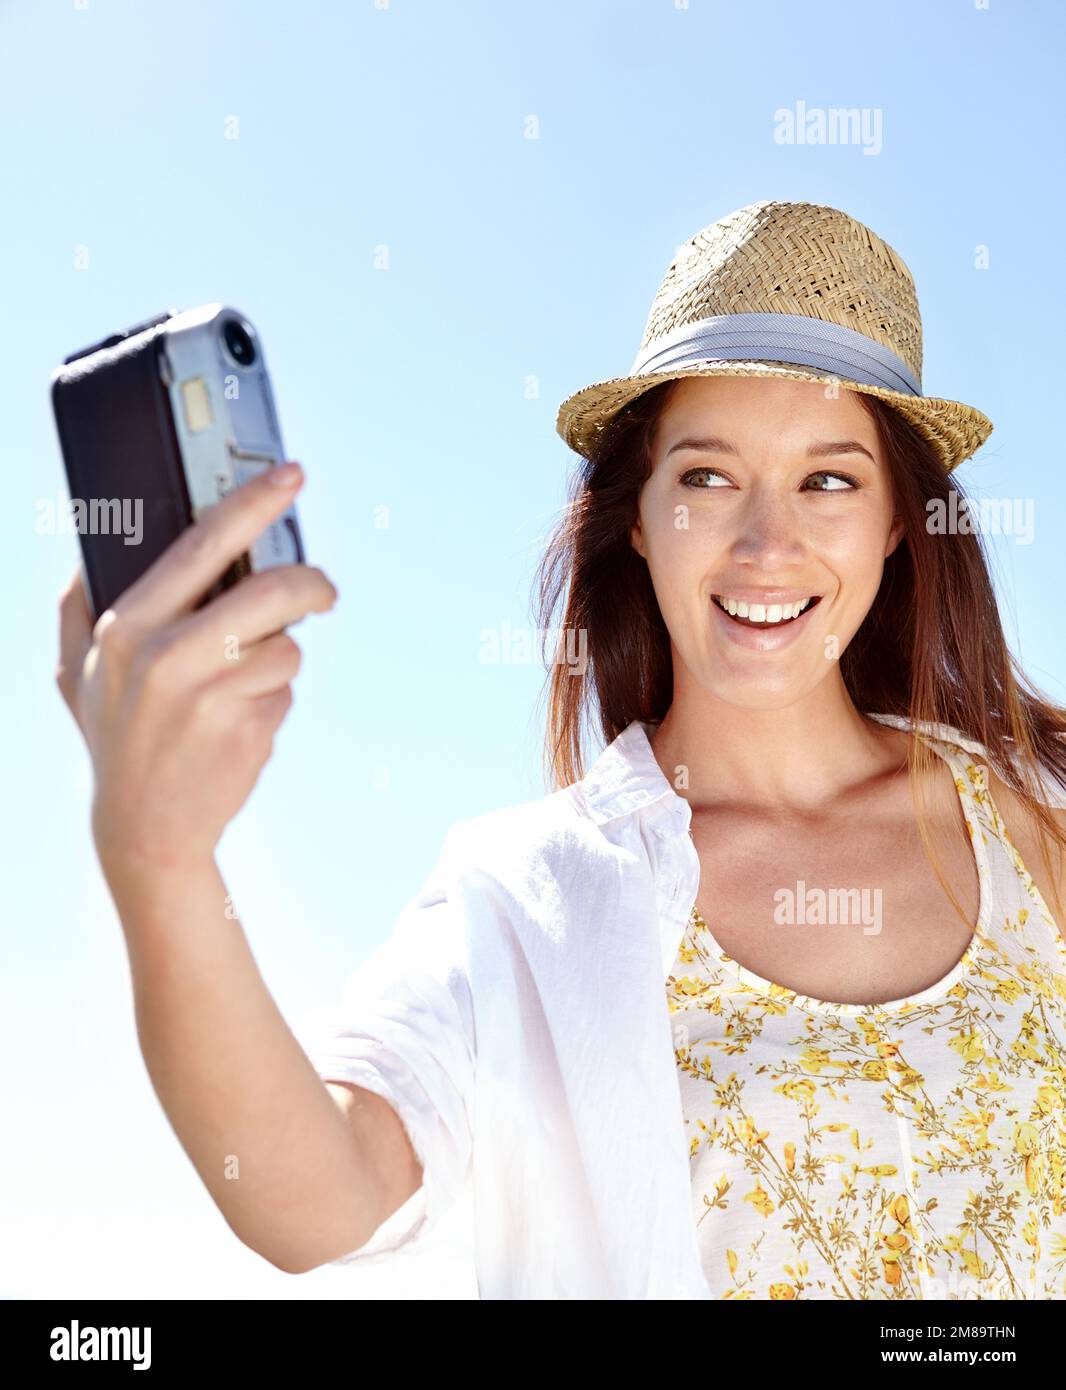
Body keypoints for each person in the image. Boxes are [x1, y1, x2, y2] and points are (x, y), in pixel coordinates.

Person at [56, 200, 1066, 1300]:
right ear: (637, 515)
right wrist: (160, 863)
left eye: (828, 479)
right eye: (707, 476)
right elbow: (318, 1197)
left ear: (894, 524)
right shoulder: (528, 895)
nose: (766, 543)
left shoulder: (1030, 823)